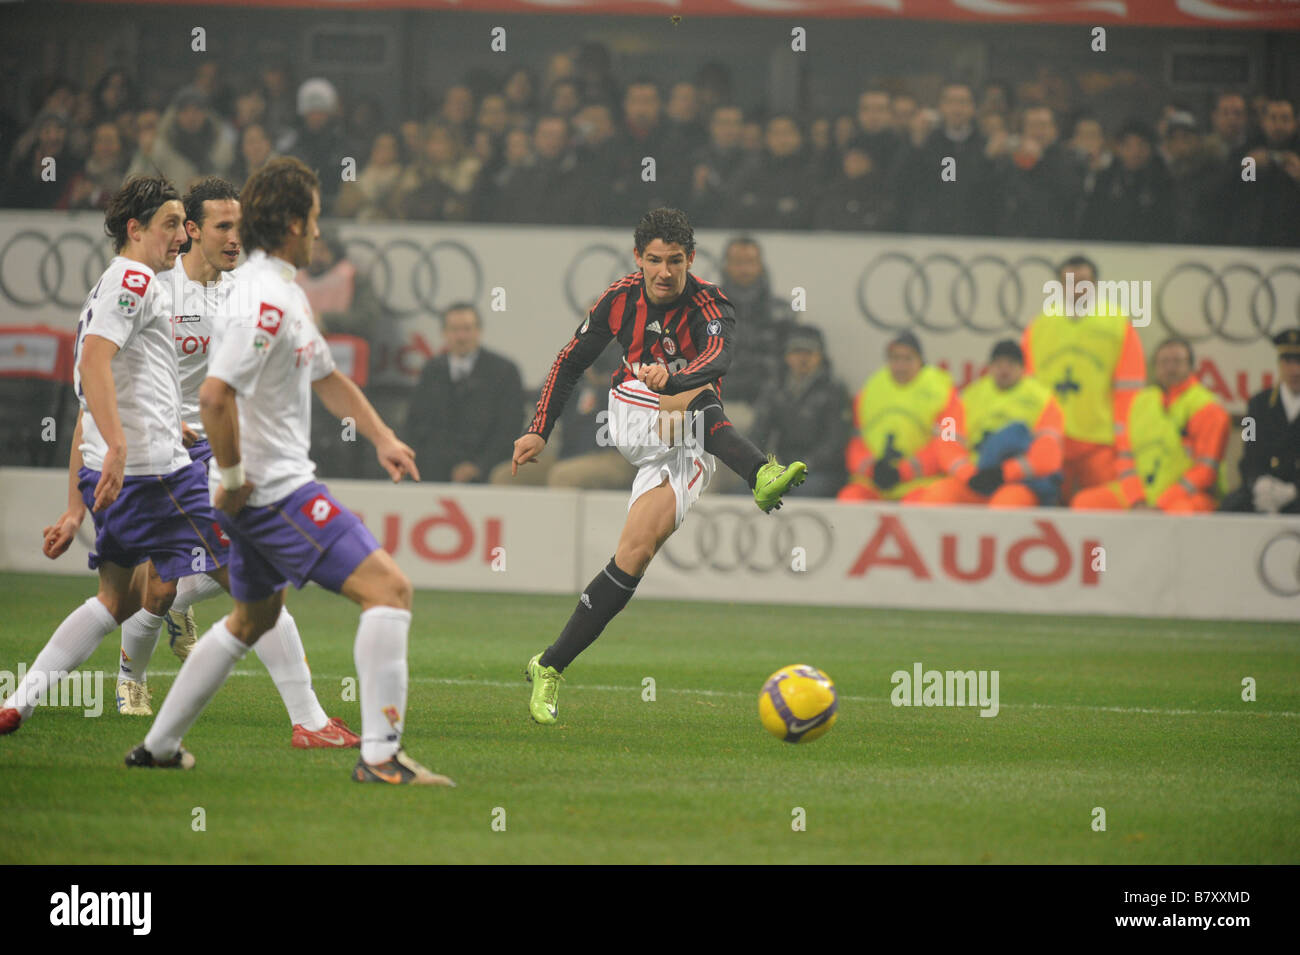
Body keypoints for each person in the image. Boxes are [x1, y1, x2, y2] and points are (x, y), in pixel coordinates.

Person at [125, 157, 450, 785]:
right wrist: (235, 475)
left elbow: (328, 375)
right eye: (317, 219)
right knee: (391, 590)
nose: (321, 234)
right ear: (296, 223)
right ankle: (381, 758)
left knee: (251, 620)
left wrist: (383, 437)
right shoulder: (265, 301)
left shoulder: (280, 292)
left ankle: (158, 746)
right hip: (277, 492)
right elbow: (216, 396)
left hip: (263, 489)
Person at [511, 208, 805, 724]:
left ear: (691, 259)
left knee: (634, 555)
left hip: (685, 443)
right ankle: (759, 472)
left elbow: (718, 358)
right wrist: (540, 426)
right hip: (633, 410)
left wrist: (675, 377)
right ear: (638, 259)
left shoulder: (713, 302)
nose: (664, 272)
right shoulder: (619, 299)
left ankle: (550, 665)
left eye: (674, 261)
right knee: (691, 398)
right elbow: (570, 360)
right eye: (654, 261)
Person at [99, 176, 357, 749]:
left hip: (219, 447)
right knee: (169, 589)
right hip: (166, 452)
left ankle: (307, 718)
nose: (236, 238)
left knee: (225, 574)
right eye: (223, 226)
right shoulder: (158, 292)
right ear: (190, 230)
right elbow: (109, 369)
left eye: (241, 226)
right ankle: (132, 679)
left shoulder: (245, 293)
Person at [0, 175, 214, 736]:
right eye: (170, 225)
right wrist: (124, 446)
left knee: (113, 600)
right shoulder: (137, 280)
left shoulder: (112, 283)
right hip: (153, 474)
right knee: (260, 568)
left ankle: (18, 703)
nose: (181, 238)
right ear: (133, 228)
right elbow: (94, 363)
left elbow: (93, 394)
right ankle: (307, 718)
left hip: (121, 469)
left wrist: (75, 506)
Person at [1021, 255, 1146, 503]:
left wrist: (1124, 442)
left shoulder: (1117, 325)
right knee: (1045, 512)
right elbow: (1026, 390)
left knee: (1106, 511)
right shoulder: (1039, 327)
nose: (1076, 288)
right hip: (1050, 441)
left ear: (1095, 285)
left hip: (1099, 442)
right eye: (1069, 282)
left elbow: (1130, 391)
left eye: (1083, 282)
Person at [1074, 337, 1228, 512]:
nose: (1170, 368)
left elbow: (1206, 471)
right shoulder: (1140, 402)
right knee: (1084, 502)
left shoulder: (1208, 408)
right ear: (1155, 367)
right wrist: (1137, 500)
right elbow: (1125, 458)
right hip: (1140, 494)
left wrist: (1161, 504)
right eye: (1164, 362)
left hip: (1188, 495)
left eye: (1177, 361)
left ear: (1191, 367)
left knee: (1180, 513)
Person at [910, 340, 1064, 507]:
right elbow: (946, 442)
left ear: (1023, 368)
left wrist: (1005, 472)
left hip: (1018, 483)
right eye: (998, 364)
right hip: (974, 479)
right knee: (936, 496)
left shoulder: (1044, 399)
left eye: (1011, 364)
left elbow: (1048, 454)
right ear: (989, 367)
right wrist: (969, 474)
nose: (1004, 369)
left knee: (1005, 506)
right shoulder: (967, 397)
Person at [837, 332, 965, 502]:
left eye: (908, 359)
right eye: (895, 358)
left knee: (922, 507)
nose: (901, 366)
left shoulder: (943, 391)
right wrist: (873, 469)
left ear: (920, 360)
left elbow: (947, 445)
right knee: (849, 499)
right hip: (874, 482)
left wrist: (903, 471)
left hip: (920, 483)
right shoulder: (870, 390)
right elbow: (856, 441)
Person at [405, 303, 523, 484]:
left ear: (479, 331)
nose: (461, 337)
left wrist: (480, 466)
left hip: (485, 468)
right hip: (432, 470)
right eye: (454, 330)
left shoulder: (504, 372)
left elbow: (509, 429)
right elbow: (416, 424)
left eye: (467, 329)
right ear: (443, 333)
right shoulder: (431, 371)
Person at [750, 326, 850, 498]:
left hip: (823, 471)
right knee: (746, 488)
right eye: (797, 352)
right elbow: (758, 433)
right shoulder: (774, 389)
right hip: (784, 466)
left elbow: (835, 443)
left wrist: (802, 466)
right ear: (787, 356)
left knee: (803, 491)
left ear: (819, 357)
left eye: (809, 353)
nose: (802, 359)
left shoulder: (834, 390)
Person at [1219, 328, 1300, 515]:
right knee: (1230, 507)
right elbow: (1249, 450)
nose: (1295, 370)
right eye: (1289, 362)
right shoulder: (1257, 405)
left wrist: (1294, 491)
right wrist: (1257, 483)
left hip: (1294, 492)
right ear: (1279, 364)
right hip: (1263, 489)